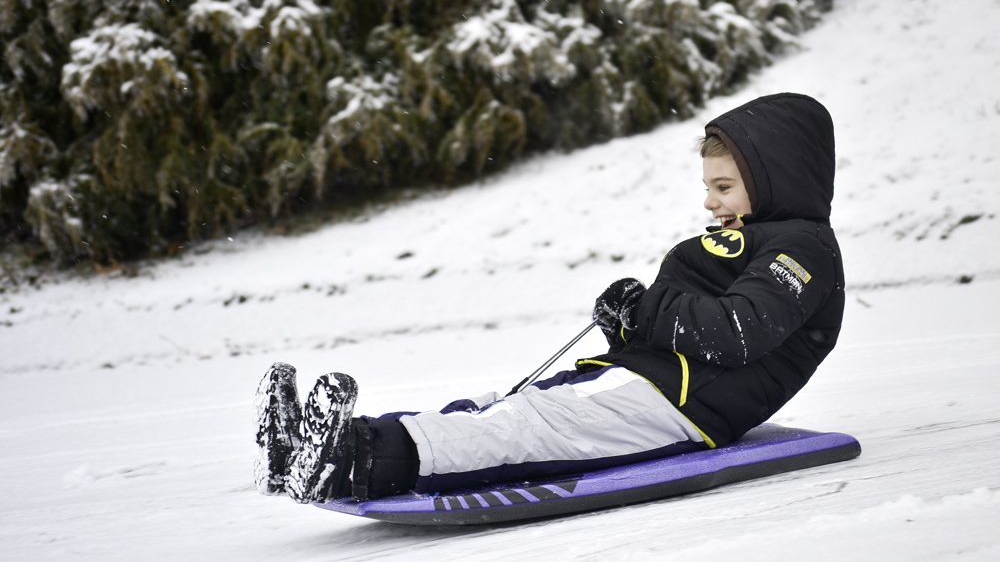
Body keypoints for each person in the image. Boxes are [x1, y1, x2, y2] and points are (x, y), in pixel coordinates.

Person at [253, 92, 845, 504]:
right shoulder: (748, 239)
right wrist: (628, 325)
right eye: (708, 188)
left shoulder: (805, 250)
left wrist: (646, 308)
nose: (710, 203)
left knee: (525, 431)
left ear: (775, 181)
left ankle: (353, 462)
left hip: (687, 407)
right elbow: (693, 329)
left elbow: (735, 333)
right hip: (648, 382)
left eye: (723, 187)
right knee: (497, 409)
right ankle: (315, 446)